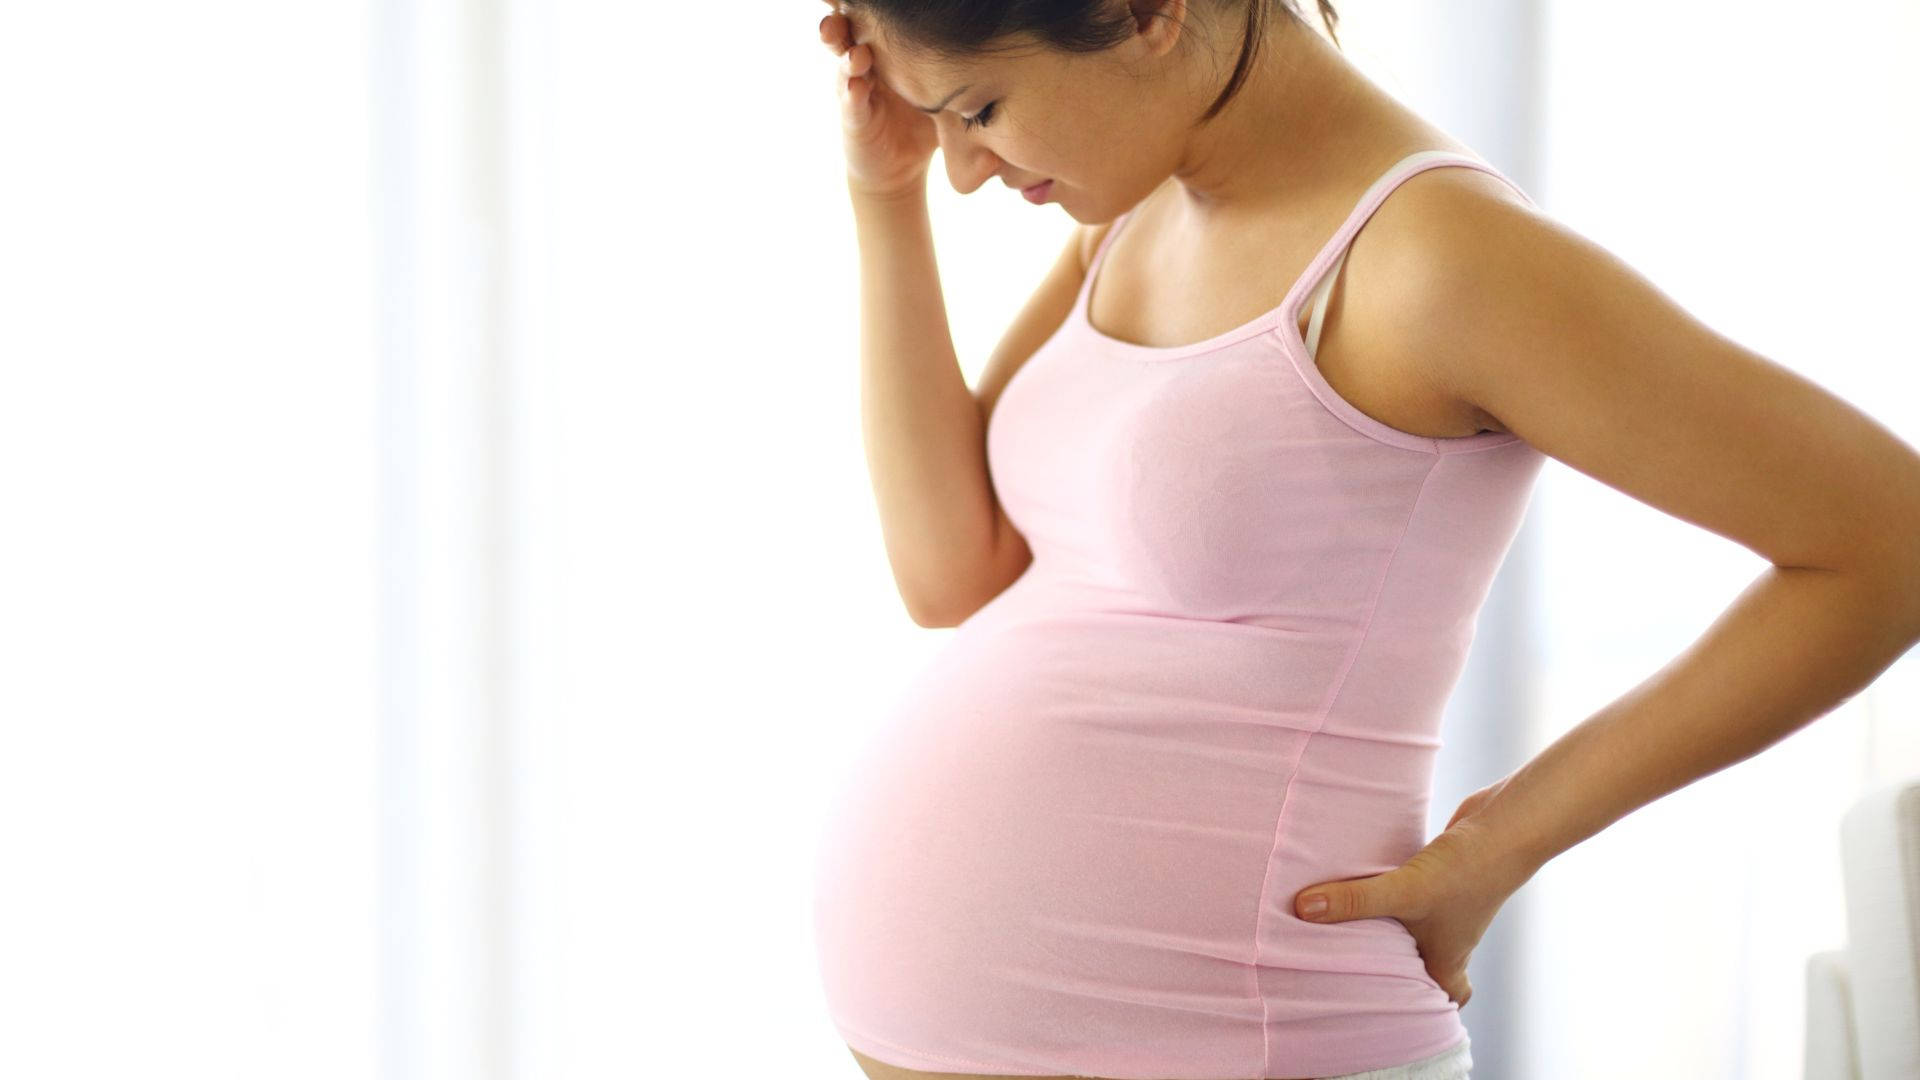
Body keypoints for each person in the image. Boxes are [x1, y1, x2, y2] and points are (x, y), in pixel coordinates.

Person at [808, 1, 1920, 1079]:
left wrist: (1505, 840)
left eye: (981, 109)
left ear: (1143, 9)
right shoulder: (1134, 214)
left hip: (1261, 1035)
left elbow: (1887, 538)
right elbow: (953, 568)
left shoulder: (1436, 260)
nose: (964, 168)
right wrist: (883, 194)